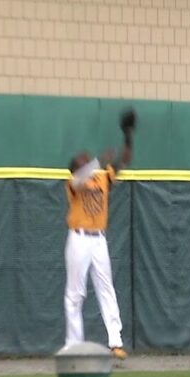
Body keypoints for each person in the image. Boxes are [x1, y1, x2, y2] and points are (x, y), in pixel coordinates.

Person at [63, 109, 136, 360]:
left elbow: (124, 161)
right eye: (81, 160)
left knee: (106, 288)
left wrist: (128, 136)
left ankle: (115, 342)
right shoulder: (73, 182)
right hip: (79, 238)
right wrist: (95, 161)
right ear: (76, 167)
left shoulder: (103, 178)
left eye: (86, 159)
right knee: (76, 293)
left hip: (98, 240)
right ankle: (73, 345)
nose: (85, 159)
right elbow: (79, 180)